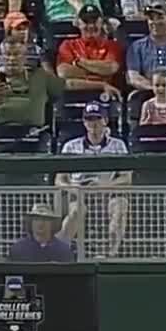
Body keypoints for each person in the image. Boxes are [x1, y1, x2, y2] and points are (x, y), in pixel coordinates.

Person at [55, 102, 131, 257]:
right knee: (77, 210)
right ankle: (59, 252)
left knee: (120, 206)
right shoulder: (70, 146)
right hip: (79, 192)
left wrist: (105, 185)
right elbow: (59, 179)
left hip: (107, 191)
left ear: (105, 121)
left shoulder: (118, 145)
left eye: (97, 119)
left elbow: (126, 178)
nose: (93, 123)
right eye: (89, 119)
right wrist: (74, 188)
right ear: (84, 122)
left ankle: (110, 255)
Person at [55, 5, 124, 98]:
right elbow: (63, 72)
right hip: (74, 95)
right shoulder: (67, 45)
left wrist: (78, 62)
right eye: (86, 22)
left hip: (105, 96)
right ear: (78, 24)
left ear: (101, 23)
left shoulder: (113, 45)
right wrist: (100, 79)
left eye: (94, 21)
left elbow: (110, 68)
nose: (91, 26)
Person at [8, 203, 76, 262]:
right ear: (31, 223)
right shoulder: (18, 248)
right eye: (37, 219)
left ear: (52, 224)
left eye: (45, 219)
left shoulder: (63, 250)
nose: (41, 223)